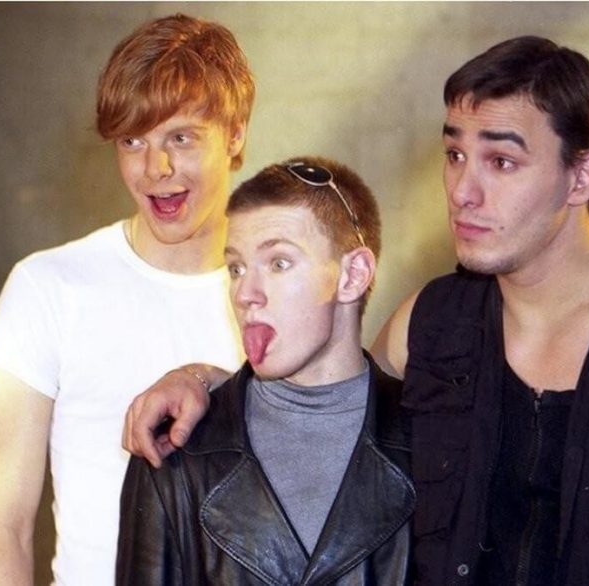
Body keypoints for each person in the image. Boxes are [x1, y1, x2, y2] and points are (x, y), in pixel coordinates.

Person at [124, 36, 589, 585]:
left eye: (501, 161)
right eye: (455, 154)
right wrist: (201, 380)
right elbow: (322, 400)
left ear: (581, 177)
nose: (462, 191)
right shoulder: (428, 325)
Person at [0, 14, 254, 585]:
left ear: (235, 134)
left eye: (181, 137)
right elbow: (3, 529)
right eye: (133, 140)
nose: (156, 169)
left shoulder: (281, 295)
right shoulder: (48, 287)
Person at [116, 156, 414, 584]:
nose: (246, 294)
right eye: (236, 268)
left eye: (278, 263)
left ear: (353, 275)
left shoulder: (433, 443)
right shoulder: (176, 449)